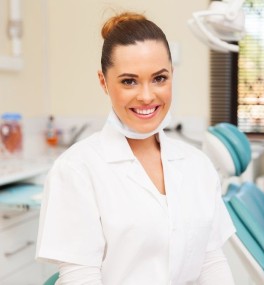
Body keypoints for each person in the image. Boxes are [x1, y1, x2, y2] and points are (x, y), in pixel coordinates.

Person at [36, 12, 235, 285]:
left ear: (172, 76)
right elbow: (80, 278)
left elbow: (211, 261)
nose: (146, 96)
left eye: (159, 78)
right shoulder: (76, 170)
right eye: (129, 81)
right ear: (103, 82)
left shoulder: (197, 165)